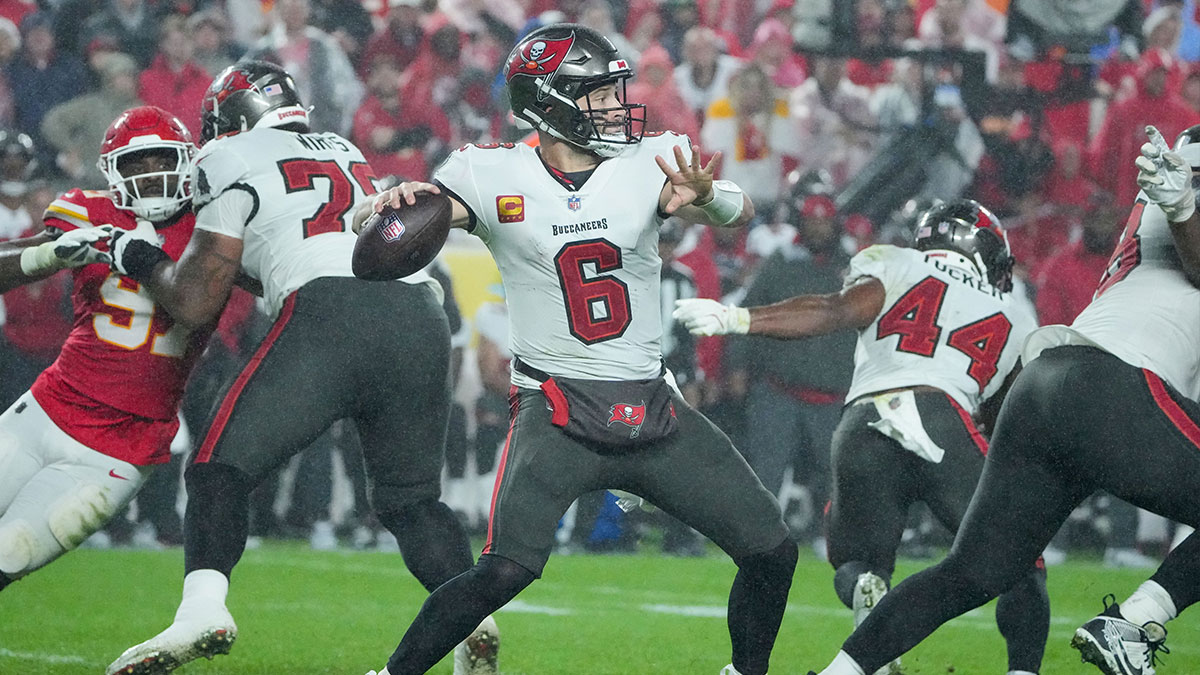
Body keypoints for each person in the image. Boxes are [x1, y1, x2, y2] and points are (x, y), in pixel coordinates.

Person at [359, 24, 797, 675]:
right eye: (599, 93)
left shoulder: (653, 159)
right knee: (504, 569)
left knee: (772, 549)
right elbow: (408, 222)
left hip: (652, 406)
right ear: (550, 101)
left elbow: (737, 211)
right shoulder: (489, 171)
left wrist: (709, 198)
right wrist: (393, 198)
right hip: (556, 409)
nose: (617, 105)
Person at [104, 61, 495, 675]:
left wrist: (141, 257)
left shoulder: (224, 159)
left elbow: (196, 298)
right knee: (411, 502)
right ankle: (472, 616)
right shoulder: (344, 149)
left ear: (229, 120)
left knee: (215, 469)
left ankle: (201, 609)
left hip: (331, 310)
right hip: (419, 313)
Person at [796, 125, 1200, 675]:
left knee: (972, 572)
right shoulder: (1179, 206)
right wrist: (1181, 204)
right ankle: (1134, 622)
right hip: (1113, 384)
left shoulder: (1161, 210)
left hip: (1046, 385)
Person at [675, 198, 1049, 675]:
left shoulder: (894, 260)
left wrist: (738, 319)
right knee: (1021, 560)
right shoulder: (1012, 309)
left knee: (856, 564)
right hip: (942, 414)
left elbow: (835, 311)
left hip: (863, 423)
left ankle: (862, 603)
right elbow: (1004, 420)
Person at [0, 105, 203, 591]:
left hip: (119, 446)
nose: (151, 174)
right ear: (114, 171)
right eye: (136, 163)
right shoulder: (89, 211)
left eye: (160, 159)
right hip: (46, 408)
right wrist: (49, 254)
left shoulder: (217, 231)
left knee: (9, 554)